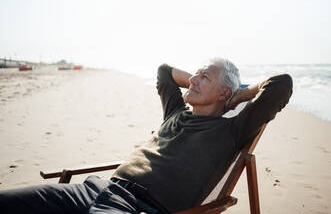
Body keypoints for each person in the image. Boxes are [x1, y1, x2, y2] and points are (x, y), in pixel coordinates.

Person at [0, 58, 292, 214]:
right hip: (94, 189)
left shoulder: (232, 130)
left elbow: (281, 84)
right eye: (195, 74)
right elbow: (164, 72)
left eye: (204, 77)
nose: (192, 79)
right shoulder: (176, 112)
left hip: (137, 208)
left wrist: (240, 94)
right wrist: (202, 79)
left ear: (225, 93)